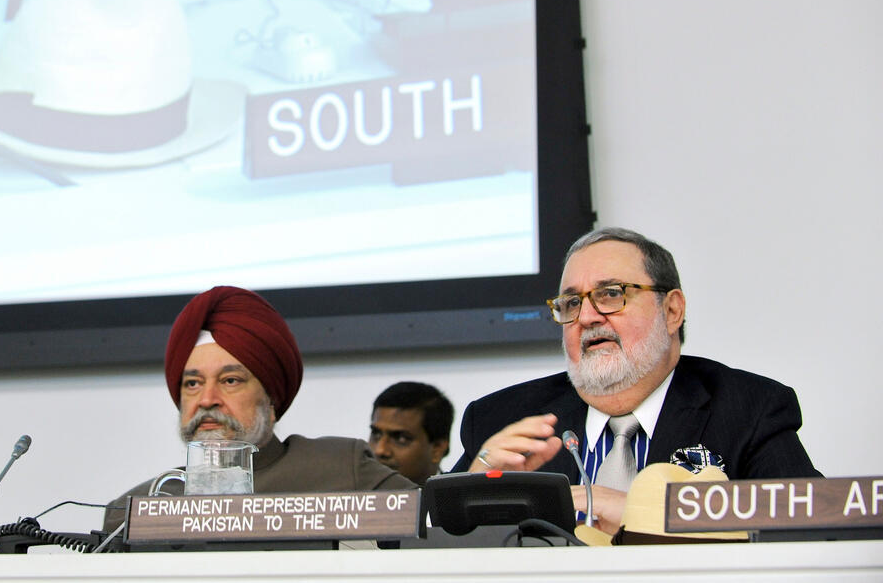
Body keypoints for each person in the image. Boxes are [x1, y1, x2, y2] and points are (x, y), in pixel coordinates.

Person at [451, 227, 820, 536]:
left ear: (672, 310)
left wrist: (648, 516)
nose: (587, 317)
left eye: (611, 294)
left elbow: (808, 526)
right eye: (571, 303)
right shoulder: (499, 418)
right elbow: (431, 538)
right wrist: (468, 495)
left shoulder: (748, 409)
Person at [103, 285, 414, 534]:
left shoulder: (341, 468)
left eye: (230, 380)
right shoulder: (133, 510)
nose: (207, 399)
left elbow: (434, 524)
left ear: (271, 399)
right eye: (193, 383)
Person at [368, 381, 453, 485]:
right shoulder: (352, 492)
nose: (380, 450)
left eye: (400, 439)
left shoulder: (458, 495)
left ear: (437, 448)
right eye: (376, 435)